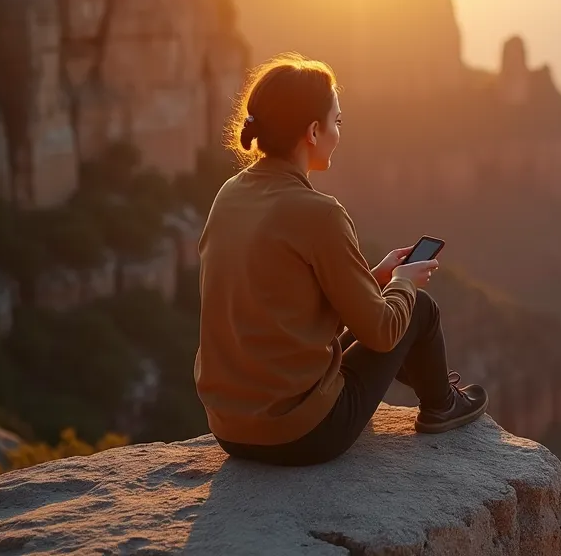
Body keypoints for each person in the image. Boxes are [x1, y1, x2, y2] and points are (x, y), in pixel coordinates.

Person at [194, 52, 488, 467]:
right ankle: (441, 405)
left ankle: (437, 393)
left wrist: (375, 276)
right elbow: (384, 333)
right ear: (314, 132)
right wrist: (403, 281)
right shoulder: (320, 213)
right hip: (301, 435)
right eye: (337, 121)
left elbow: (280, 309)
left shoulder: (230, 194)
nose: (339, 131)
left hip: (230, 429)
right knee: (417, 310)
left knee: (370, 309)